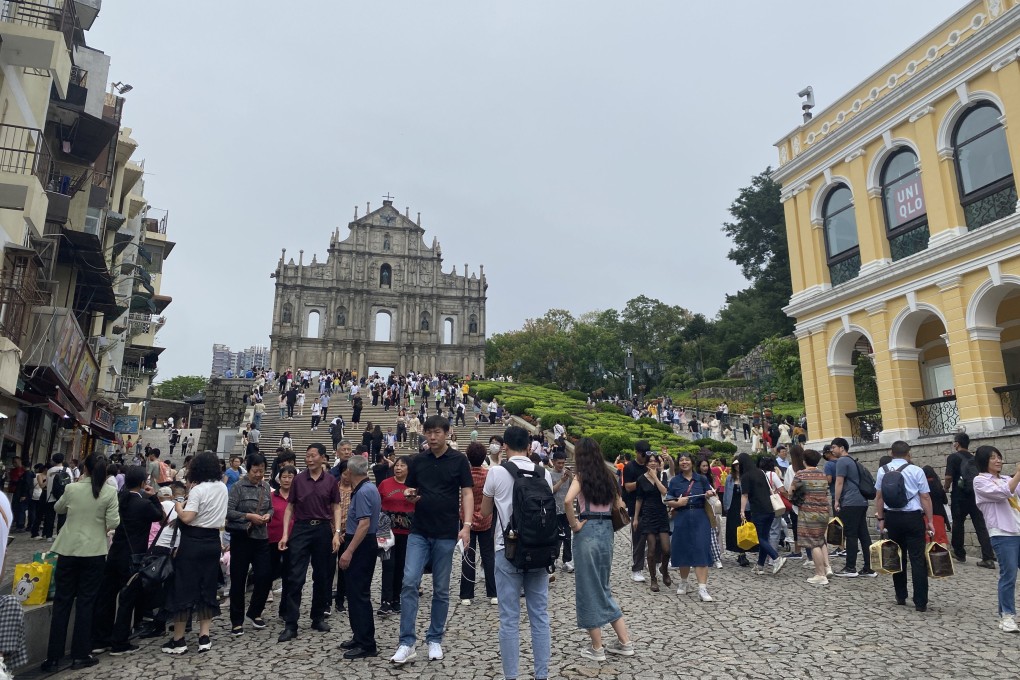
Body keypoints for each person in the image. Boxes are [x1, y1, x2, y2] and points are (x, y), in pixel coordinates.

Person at [390, 415, 473, 665]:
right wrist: (409, 494)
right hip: (419, 530)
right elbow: (412, 489)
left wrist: (466, 526)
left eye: (437, 432)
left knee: (441, 588)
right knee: (409, 582)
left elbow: (467, 493)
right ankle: (407, 642)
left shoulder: (459, 460)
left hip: (447, 532)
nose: (433, 437)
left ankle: (434, 638)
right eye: (429, 432)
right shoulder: (417, 461)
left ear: (447, 433)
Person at [480, 426, 552, 680]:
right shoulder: (545, 473)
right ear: (530, 446)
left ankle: (511, 676)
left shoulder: (497, 472)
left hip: (507, 549)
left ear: (505, 446)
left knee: (509, 618)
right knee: (540, 616)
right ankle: (541, 675)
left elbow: (486, 512)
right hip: (540, 550)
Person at [41, 455, 119, 672]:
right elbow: (114, 522)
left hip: (68, 550)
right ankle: (80, 654)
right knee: (86, 603)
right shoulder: (109, 492)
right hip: (94, 553)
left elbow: (58, 508)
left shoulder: (73, 489)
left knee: (62, 602)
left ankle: (53, 657)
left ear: (84, 468)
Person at [563, 437, 634, 661]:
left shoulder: (582, 477)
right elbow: (619, 505)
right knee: (602, 585)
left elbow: (567, 501)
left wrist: (574, 524)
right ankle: (625, 642)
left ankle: (597, 647)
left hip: (588, 530)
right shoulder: (610, 476)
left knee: (588, 588)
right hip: (607, 532)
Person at [161, 451, 230, 654]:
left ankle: (179, 640)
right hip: (212, 542)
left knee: (183, 588)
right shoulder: (222, 488)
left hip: (193, 542)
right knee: (207, 587)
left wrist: (179, 505)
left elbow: (188, 517)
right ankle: (204, 637)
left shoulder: (199, 490)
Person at [93, 466, 165, 656]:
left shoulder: (118, 500)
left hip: (114, 553)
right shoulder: (143, 504)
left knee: (106, 597)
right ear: (143, 483)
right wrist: (154, 496)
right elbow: (160, 516)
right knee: (127, 600)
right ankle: (119, 642)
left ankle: (101, 639)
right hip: (133, 558)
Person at [277, 443, 342, 642]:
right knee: (295, 576)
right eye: (307, 456)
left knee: (322, 576)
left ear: (323, 458)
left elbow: (336, 507)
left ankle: (318, 616)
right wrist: (285, 534)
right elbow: (290, 508)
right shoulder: (298, 480)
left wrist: (336, 532)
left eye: (313, 455)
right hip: (301, 528)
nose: (309, 459)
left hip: (322, 529)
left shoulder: (330, 480)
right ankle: (291, 623)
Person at [875, 440, 934, 612]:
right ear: (909, 453)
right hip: (913, 518)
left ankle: (900, 595)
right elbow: (925, 497)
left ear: (891, 453)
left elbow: (879, 497)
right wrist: (929, 520)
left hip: (892, 517)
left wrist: (881, 519)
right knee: (917, 559)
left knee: (897, 556)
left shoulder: (882, 470)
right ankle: (921, 601)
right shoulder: (916, 470)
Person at [335, 456, 381, 659]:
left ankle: (366, 643)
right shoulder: (369, 488)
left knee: (359, 594)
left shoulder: (363, 492)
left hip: (361, 544)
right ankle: (359, 635)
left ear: (350, 473)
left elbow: (363, 524)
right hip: (362, 540)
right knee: (354, 593)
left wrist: (349, 550)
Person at [225, 452, 274, 636]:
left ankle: (255, 611)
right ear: (249, 468)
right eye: (255, 471)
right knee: (238, 579)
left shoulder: (265, 486)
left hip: (261, 538)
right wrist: (248, 516)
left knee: (264, 576)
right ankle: (236, 620)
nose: (258, 474)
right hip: (242, 538)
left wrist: (269, 515)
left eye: (261, 471)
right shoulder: (237, 487)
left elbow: (270, 506)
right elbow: (229, 511)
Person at [973, 445, 1020, 633]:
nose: (998, 460)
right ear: (984, 460)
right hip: (1002, 533)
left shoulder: (1008, 479)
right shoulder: (980, 481)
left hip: (1018, 530)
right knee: (1009, 576)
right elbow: (1002, 493)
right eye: (993, 457)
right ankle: (1007, 616)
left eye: (999, 457)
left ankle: (1005, 614)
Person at [666, 454, 715, 601]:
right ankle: (683, 581)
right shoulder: (675, 481)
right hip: (683, 516)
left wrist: (709, 493)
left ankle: (702, 588)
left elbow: (711, 494)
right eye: (681, 460)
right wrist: (678, 503)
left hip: (700, 516)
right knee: (683, 548)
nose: (684, 462)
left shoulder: (701, 479)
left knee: (701, 548)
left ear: (692, 463)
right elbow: (668, 500)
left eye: (687, 460)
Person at [944, 432, 995, 568]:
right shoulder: (974, 459)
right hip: (975, 495)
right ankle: (988, 557)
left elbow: (948, 477)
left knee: (958, 523)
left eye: (954, 442)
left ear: (957, 444)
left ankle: (959, 553)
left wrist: (945, 488)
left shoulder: (953, 458)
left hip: (959, 496)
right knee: (980, 525)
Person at [832, 437, 876, 577]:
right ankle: (869, 567)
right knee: (864, 535)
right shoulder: (852, 461)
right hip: (861, 501)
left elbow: (839, 482)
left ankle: (850, 567)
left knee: (850, 534)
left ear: (842, 448)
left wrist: (837, 500)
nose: (832, 450)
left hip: (850, 502)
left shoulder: (842, 461)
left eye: (834, 447)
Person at [738, 452, 786, 575]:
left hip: (758, 510)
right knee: (764, 538)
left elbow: (745, 495)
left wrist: (742, 510)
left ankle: (776, 558)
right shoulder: (761, 472)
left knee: (759, 538)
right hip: (770, 509)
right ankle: (760, 566)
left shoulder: (745, 476)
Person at [459, 442, 496, 606]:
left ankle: (466, 594)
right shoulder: (488, 474)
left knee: (468, 556)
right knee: (489, 556)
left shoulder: (465, 475)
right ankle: (493, 592)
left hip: (467, 519)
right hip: (486, 518)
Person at [792, 449, 833, 585]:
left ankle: (820, 574)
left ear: (804, 461)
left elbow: (791, 490)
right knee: (821, 539)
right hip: (824, 511)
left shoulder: (801, 474)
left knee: (813, 542)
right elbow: (826, 491)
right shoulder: (822, 474)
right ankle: (826, 568)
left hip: (809, 511)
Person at [632, 454, 671, 592]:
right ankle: (653, 579)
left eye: (655, 461)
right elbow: (639, 499)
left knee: (666, 549)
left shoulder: (662, 476)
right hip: (648, 514)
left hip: (661, 514)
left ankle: (664, 570)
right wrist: (636, 518)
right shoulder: (641, 479)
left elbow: (665, 491)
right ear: (646, 463)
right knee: (652, 548)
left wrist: (655, 477)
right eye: (650, 461)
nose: (653, 463)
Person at [267, 465, 297, 616]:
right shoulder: (271, 496)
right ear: (279, 479)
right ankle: (258, 608)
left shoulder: (297, 497)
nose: (286, 480)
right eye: (284, 477)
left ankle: (285, 609)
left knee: (289, 576)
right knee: (267, 573)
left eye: (290, 477)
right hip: (271, 539)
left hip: (292, 540)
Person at [622, 440, 651, 582]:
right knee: (638, 539)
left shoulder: (650, 465)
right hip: (635, 507)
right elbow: (627, 487)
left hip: (651, 505)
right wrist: (643, 480)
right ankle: (637, 568)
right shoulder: (629, 467)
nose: (645, 457)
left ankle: (653, 563)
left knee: (655, 538)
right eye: (643, 454)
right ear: (637, 453)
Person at [549, 451, 574, 573]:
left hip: (566, 511)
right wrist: (562, 481)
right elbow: (551, 490)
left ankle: (567, 561)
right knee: (557, 537)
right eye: (559, 463)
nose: (561, 465)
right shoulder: (549, 475)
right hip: (554, 510)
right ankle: (553, 559)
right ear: (553, 462)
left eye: (563, 463)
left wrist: (571, 477)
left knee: (568, 536)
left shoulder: (567, 475)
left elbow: (574, 488)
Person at [724, 460, 750, 567]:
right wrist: (725, 507)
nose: (738, 467)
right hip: (732, 506)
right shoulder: (730, 478)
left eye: (740, 464)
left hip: (744, 506)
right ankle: (739, 552)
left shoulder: (746, 477)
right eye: (736, 465)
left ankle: (742, 553)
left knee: (744, 530)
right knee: (734, 529)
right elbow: (726, 492)